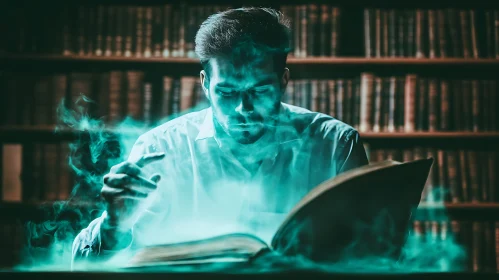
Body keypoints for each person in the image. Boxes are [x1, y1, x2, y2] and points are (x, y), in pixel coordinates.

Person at [71, 7, 369, 267]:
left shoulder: (336, 147)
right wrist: (113, 225)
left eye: (260, 91)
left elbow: (374, 255)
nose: (244, 109)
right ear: (205, 84)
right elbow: (85, 268)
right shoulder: (160, 149)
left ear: (283, 81)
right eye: (226, 93)